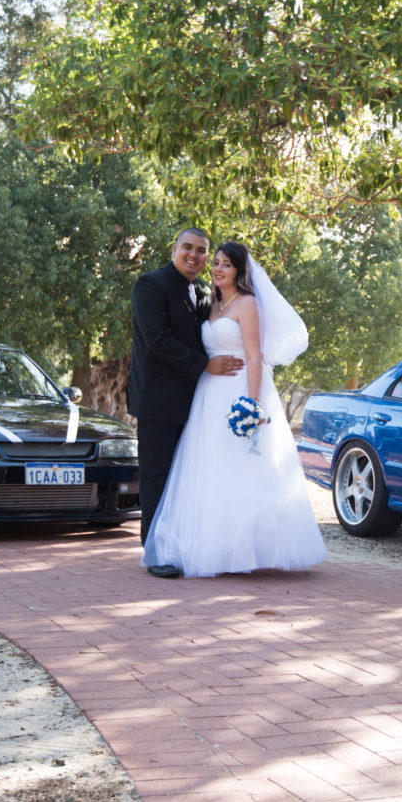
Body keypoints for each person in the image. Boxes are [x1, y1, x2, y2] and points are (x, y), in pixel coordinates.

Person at [142, 240, 326, 578]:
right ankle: (211, 546)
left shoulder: (247, 303)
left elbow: (255, 355)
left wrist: (252, 405)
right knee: (209, 469)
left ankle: (249, 549)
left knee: (242, 467)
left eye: (226, 264)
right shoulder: (210, 304)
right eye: (216, 263)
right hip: (208, 395)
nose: (217, 268)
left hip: (240, 389)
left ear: (240, 271)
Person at [128, 227, 244, 576]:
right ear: (175, 248)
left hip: (195, 402)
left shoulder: (200, 291)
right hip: (157, 400)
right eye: (188, 248)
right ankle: (154, 553)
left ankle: (177, 544)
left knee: (184, 478)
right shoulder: (150, 285)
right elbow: (158, 339)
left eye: (202, 251)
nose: (195, 255)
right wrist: (205, 365)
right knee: (157, 476)